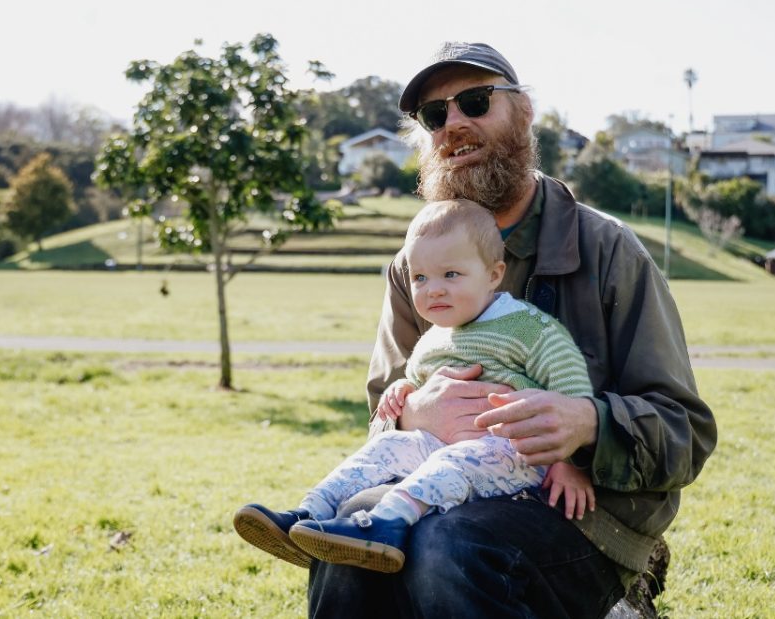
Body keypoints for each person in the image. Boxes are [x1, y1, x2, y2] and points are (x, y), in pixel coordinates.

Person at [306, 42, 717, 618]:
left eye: (475, 101)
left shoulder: (607, 250)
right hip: (433, 481)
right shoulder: (415, 265)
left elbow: (686, 432)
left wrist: (589, 423)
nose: (454, 124)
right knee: (347, 531)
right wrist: (410, 412)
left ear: (523, 112)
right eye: (435, 115)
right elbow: (386, 402)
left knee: (449, 546)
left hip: (581, 514)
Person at [234, 199, 598, 574]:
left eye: (451, 275)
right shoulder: (436, 337)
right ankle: (308, 514)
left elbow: (570, 391)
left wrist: (569, 461)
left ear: (494, 274)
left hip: (513, 453)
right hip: (440, 445)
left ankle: (386, 525)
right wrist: (402, 392)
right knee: (389, 444)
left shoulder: (528, 327)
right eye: (420, 278)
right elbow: (419, 380)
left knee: (449, 461)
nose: (433, 290)